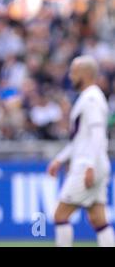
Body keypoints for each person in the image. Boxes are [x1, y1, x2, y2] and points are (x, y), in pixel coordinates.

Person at [47, 55, 114, 247]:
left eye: (73, 72)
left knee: (60, 215)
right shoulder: (89, 97)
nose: (70, 76)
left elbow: (97, 134)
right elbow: (80, 139)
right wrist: (60, 159)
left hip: (87, 165)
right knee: (98, 220)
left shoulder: (91, 98)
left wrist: (90, 166)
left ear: (84, 73)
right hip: (96, 163)